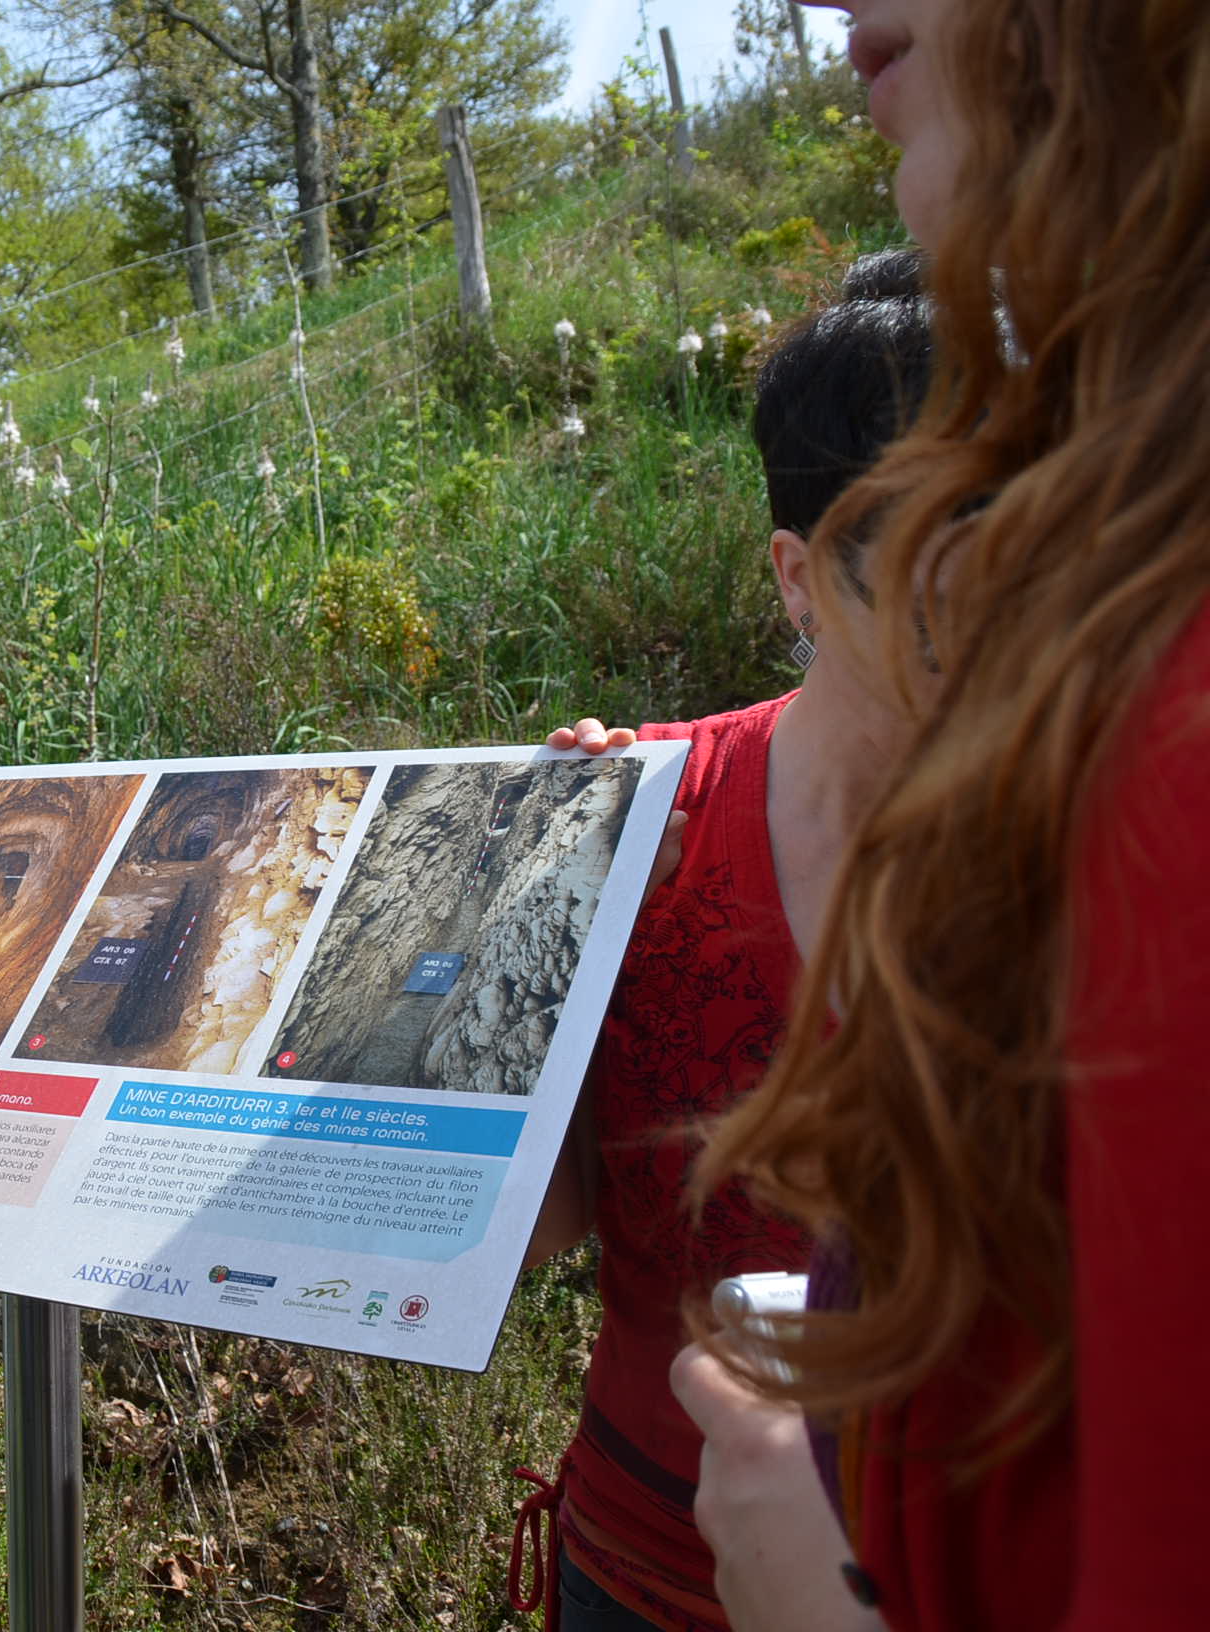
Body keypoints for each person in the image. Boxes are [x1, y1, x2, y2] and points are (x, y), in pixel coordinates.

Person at [671, 1, 1210, 1628]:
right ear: (793, 574)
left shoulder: (1154, 762)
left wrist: (813, 1590)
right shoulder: (1105, 709)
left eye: (982, 523)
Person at [507, 255, 934, 1632]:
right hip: (648, 1564)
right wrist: (534, 949)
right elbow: (542, 1227)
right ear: (801, 578)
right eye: (936, 560)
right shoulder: (655, 812)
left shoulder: (1135, 825)